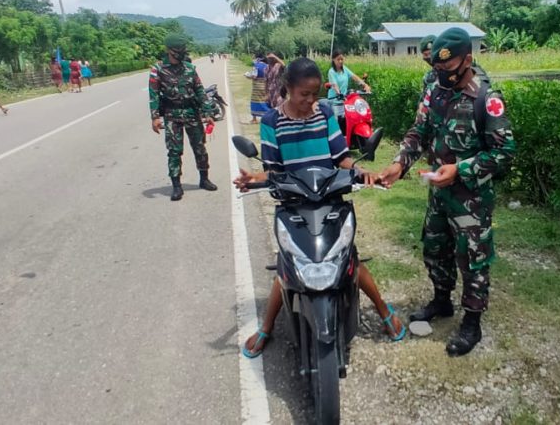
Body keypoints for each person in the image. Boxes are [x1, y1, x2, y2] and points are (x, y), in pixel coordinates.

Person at [234, 58, 406, 358]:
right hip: (293, 204)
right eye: (304, 94)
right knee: (287, 265)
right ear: (288, 88)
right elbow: (273, 169)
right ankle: (266, 327)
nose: (311, 101)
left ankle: (384, 311)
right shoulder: (272, 122)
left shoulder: (324, 112)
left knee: (348, 257)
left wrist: (360, 171)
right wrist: (255, 178)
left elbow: (341, 157)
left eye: (315, 94)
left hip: (330, 199)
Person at [378, 28, 516, 357]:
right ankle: (442, 300)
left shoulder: (486, 98)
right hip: (438, 193)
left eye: (448, 68)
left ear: (467, 60)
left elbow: (504, 152)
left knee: (473, 258)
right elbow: (419, 131)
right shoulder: (436, 91)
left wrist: (461, 169)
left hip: (471, 198)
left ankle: (471, 322)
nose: (441, 75)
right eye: (436, 69)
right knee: (435, 247)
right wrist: (399, 164)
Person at [149, 34, 218, 200]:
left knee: (200, 148)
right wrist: (155, 117)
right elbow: (154, 95)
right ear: (168, 50)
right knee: (174, 152)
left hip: (191, 113)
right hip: (172, 116)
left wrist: (207, 112)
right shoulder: (157, 70)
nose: (180, 54)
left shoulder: (190, 68)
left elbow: (200, 91)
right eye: (176, 51)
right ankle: (177, 186)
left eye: (182, 51)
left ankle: (204, 179)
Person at [325, 50, 370, 118]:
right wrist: (339, 94)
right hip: (335, 102)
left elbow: (354, 77)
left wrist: (364, 85)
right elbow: (334, 85)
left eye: (342, 59)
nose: (340, 61)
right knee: (337, 124)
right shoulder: (331, 72)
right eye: (338, 59)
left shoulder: (345, 69)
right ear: (333, 59)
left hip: (345, 101)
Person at [246, 53, 269, 124]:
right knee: (264, 101)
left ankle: (254, 119)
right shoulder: (267, 66)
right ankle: (267, 117)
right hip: (265, 86)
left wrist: (247, 75)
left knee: (254, 101)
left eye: (254, 57)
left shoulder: (256, 66)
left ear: (258, 58)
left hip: (257, 87)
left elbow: (254, 76)